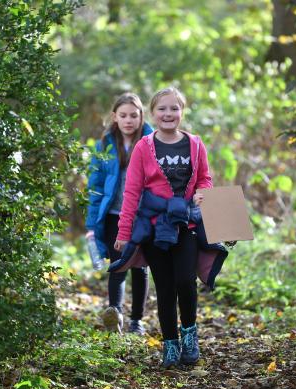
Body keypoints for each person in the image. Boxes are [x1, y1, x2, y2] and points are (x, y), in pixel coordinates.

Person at [113, 87, 227, 368]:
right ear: (152, 113)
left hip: (185, 223)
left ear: (182, 112)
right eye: (162, 109)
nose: (168, 114)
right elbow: (132, 192)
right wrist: (124, 233)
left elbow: (205, 178)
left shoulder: (195, 144)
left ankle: (190, 335)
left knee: (186, 282)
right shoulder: (144, 147)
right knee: (164, 288)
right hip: (153, 228)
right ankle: (170, 344)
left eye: (174, 108)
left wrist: (203, 192)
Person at [85, 92, 153, 335]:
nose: (128, 120)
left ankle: (137, 320)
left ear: (141, 116)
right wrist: (92, 224)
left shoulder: (151, 140)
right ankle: (115, 313)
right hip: (114, 214)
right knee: (118, 264)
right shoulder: (105, 145)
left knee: (140, 267)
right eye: (123, 115)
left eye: (133, 116)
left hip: (143, 215)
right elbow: (95, 185)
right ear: (114, 117)